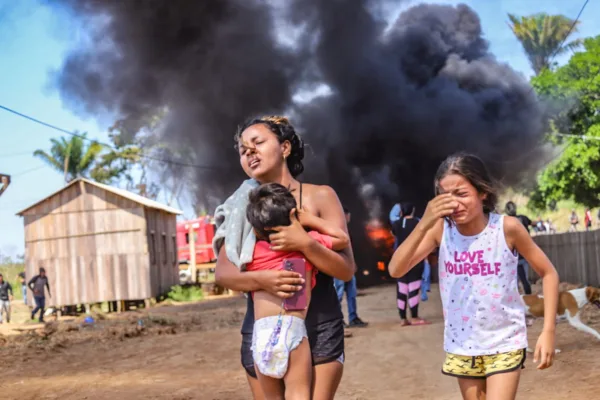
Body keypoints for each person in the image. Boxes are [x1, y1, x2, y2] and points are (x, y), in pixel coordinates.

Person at [388, 153, 559, 400]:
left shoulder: (507, 228)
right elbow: (396, 269)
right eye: (445, 196)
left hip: (504, 341)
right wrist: (424, 223)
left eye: (461, 194)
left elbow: (549, 273)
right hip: (461, 343)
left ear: (483, 192)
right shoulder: (441, 231)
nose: (454, 204)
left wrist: (549, 331)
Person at [214, 116, 354, 400]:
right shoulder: (242, 207)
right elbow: (224, 274)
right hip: (262, 327)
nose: (249, 152)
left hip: (319, 323)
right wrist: (263, 280)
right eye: (243, 150)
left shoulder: (320, 197)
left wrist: (305, 243)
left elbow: (346, 270)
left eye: (258, 143)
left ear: (285, 147)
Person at [244, 182, 350, 397]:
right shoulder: (304, 243)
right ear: (294, 215)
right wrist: (309, 220)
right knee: (298, 392)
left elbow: (229, 272)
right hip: (292, 330)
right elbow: (342, 239)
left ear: (255, 230)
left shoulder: (253, 253)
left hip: (261, 334)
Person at [391, 202, 429, 326]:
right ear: (412, 211)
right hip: (415, 259)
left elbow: (394, 234)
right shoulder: (417, 223)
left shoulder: (396, 224)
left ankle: (403, 319)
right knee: (413, 287)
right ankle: (414, 317)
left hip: (400, 259)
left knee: (401, 289)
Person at [333, 208, 368, 329]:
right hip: (338, 267)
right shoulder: (334, 229)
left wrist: (352, 264)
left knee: (351, 293)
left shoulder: (346, 230)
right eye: (347, 215)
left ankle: (353, 317)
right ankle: (338, 320)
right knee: (338, 293)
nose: (349, 218)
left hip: (348, 266)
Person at [504, 201, 532, 295]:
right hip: (525, 254)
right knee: (525, 280)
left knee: (514, 281)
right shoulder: (523, 218)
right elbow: (532, 223)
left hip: (512, 255)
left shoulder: (505, 221)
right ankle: (528, 298)